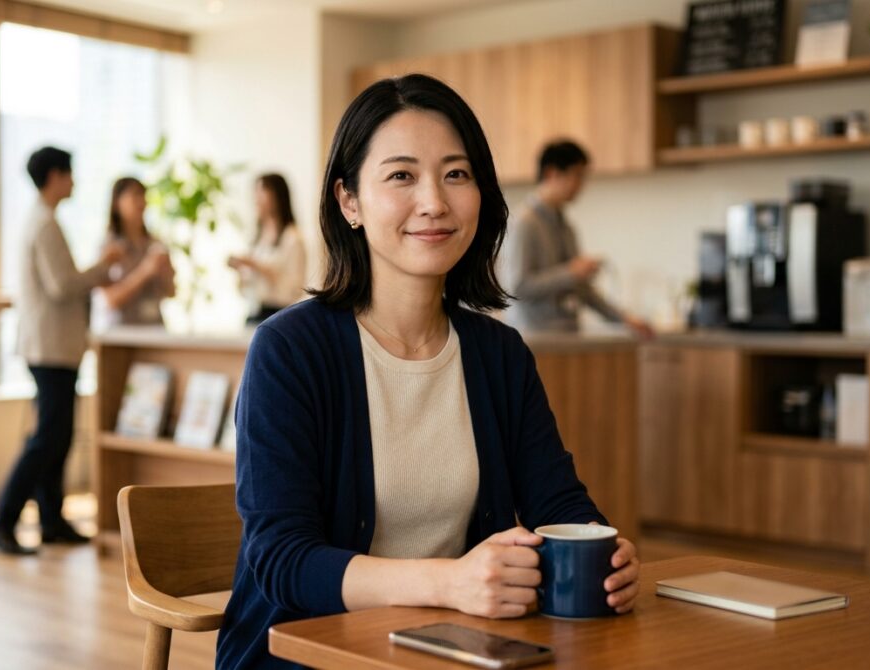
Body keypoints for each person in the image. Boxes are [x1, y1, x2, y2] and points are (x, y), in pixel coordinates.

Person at [215, 75, 640, 670]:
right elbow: (283, 560)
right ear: (349, 201)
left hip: (453, 653)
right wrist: (450, 583)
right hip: (302, 657)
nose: (435, 201)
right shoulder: (289, 348)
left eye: (456, 174)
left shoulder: (499, 353)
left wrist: (605, 552)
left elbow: (559, 504)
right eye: (401, 175)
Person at [0, 146, 122, 556]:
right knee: (47, 438)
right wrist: (104, 266)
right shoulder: (44, 224)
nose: (74, 181)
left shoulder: (41, 220)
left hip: (52, 345)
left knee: (57, 436)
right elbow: (63, 285)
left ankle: (51, 520)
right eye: (70, 174)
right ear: (55, 176)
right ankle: (3, 520)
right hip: (50, 346)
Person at [500, 140, 652, 336]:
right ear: (551, 173)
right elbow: (517, 287)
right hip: (533, 339)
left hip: (567, 336)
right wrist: (570, 272)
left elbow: (582, 289)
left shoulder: (566, 227)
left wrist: (624, 319)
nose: (581, 185)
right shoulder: (524, 222)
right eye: (577, 176)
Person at [94, 177, 175, 328]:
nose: (141, 202)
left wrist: (167, 272)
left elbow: (171, 292)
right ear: (117, 203)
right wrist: (146, 270)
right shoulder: (108, 248)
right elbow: (110, 299)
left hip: (154, 329)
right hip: (120, 333)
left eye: (143, 195)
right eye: (135, 195)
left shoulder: (156, 244)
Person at [227, 173, 307, 324]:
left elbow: (294, 287)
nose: (256, 198)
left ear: (277, 195)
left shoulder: (292, 238)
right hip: (254, 313)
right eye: (255, 192)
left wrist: (254, 264)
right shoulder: (257, 239)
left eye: (262, 191)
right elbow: (248, 286)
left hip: (280, 316)